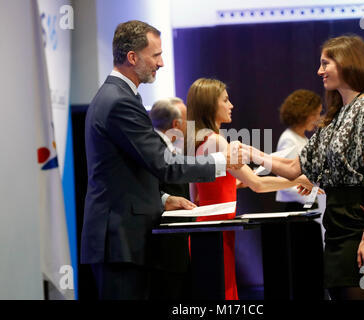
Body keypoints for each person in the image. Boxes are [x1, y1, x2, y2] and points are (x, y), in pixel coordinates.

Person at [81, 21, 244, 300]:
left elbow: (126, 171)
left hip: (123, 242)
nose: (162, 63)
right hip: (120, 244)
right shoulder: (119, 101)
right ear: (132, 57)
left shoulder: (119, 97)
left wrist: (162, 199)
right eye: (155, 55)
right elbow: (164, 164)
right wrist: (222, 161)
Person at [242, 35, 364, 300]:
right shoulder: (333, 116)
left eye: (325, 63)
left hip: (357, 225)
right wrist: (252, 153)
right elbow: (294, 167)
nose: (319, 71)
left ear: (346, 63)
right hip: (334, 225)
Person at [187, 78, 310, 300]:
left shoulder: (196, 140)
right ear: (210, 105)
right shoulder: (217, 141)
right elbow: (258, 184)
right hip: (218, 232)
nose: (231, 105)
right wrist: (298, 180)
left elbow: (198, 194)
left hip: (204, 232)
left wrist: (238, 182)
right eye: (225, 100)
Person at [148, 97, 192, 299]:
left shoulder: (167, 148)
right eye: (187, 119)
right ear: (176, 125)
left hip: (171, 244)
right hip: (164, 247)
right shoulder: (156, 149)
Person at [275, 89, 324, 212]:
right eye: (315, 114)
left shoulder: (304, 139)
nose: (318, 119)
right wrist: (315, 196)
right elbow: (285, 182)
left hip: (307, 203)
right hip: (297, 207)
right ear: (303, 113)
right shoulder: (288, 139)